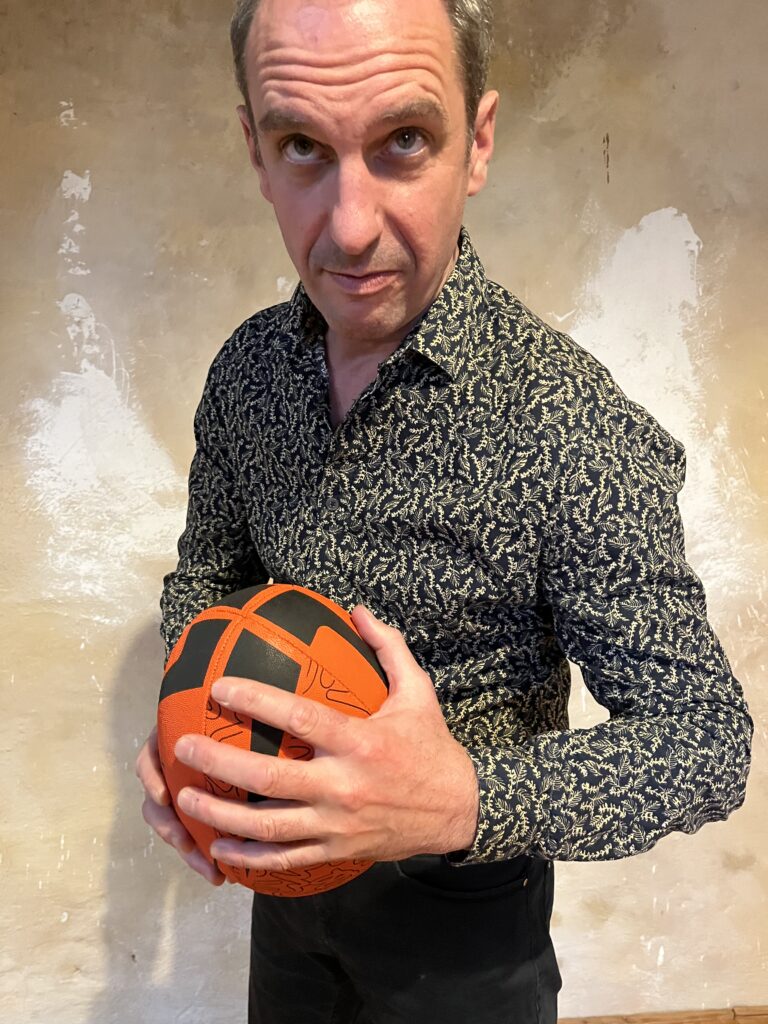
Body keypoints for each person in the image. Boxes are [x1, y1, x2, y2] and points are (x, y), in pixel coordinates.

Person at [136, 0, 754, 1021]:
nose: (350, 227)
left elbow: (704, 744)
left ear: (479, 141)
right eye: (302, 146)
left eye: (405, 140)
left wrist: (465, 797)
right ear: (255, 149)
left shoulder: (570, 425)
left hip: (463, 931)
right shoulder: (247, 373)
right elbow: (210, 575)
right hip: (284, 894)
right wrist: (188, 714)